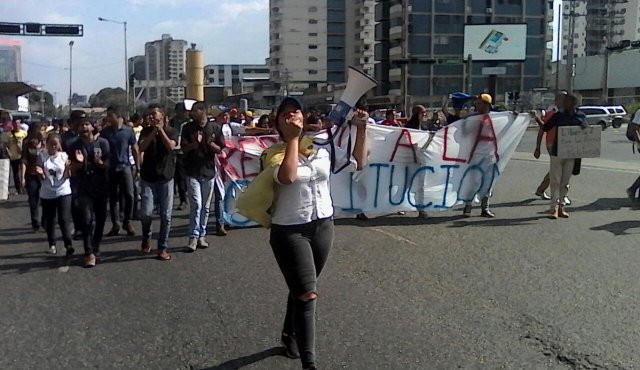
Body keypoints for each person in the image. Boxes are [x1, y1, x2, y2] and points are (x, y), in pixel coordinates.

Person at [268, 97, 368, 370]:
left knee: (302, 287)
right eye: (285, 114)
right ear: (278, 122)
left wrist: (361, 129)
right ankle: (309, 363)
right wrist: (292, 139)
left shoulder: (322, 149)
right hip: (290, 231)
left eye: (296, 112)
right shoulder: (273, 152)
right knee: (308, 294)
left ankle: (289, 333)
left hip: (323, 226)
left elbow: (358, 161)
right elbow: (287, 177)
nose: (293, 117)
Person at [180, 101, 225, 251]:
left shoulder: (215, 127)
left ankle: (201, 236)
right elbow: (184, 148)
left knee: (205, 206)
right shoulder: (187, 128)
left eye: (194, 111)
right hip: (192, 171)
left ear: (202, 111)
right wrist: (195, 143)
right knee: (196, 205)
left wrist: (210, 144)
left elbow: (220, 149)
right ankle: (192, 237)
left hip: (209, 171)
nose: (191, 113)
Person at [68, 117, 111, 267]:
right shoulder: (74, 146)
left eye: (86, 125)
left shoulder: (103, 143)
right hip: (83, 187)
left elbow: (108, 164)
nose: (84, 128)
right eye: (81, 125)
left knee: (100, 219)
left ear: (93, 127)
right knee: (87, 220)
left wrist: (101, 163)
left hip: (101, 186)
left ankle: (96, 247)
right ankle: (88, 252)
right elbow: (72, 170)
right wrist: (79, 164)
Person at [138, 104, 178, 260]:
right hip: (148, 177)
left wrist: (160, 131)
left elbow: (171, 147)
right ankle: (146, 235)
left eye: (155, 114)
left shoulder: (172, 131)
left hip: (166, 177)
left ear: (163, 116)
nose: (152, 117)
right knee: (146, 213)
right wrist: (153, 131)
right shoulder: (145, 131)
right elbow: (141, 147)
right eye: (150, 115)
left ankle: (162, 247)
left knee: (165, 215)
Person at [542, 93, 587, 219]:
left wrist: (584, 127)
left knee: (565, 181)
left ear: (574, 103)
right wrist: (537, 120)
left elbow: (587, 131)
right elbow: (546, 127)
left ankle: (562, 207)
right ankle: (554, 208)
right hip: (558, 152)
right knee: (555, 181)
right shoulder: (559, 115)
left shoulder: (581, 116)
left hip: (572, 153)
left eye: (567, 101)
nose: (564, 103)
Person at [101, 106, 140, 236]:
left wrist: (138, 167)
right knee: (113, 198)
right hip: (111, 168)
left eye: (110, 116)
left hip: (125, 167)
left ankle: (127, 221)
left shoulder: (128, 131)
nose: (108, 118)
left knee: (130, 195)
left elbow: (134, 148)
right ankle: (116, 223)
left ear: (118, 116)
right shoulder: (105, 132)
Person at [37, 134, 74, 257]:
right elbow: (40, 176)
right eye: (51, 144)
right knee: (50, 220)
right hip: (47, 193)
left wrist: (68, 168)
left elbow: (68, 175)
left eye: (55, 144)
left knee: (64, 219)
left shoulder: (64, 156)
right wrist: (41, 173)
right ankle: (52, 244)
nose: (53, 146)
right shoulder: (42, 157)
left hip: (63, 191)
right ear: (46, 144)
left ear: (59, 145)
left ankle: (68, 244)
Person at [533, 91, 571, 205]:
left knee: (558, 169)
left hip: (564, 144)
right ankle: (561, 196)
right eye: (561, 99)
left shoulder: (568, 113)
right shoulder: (552, 113)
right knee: (560, 169)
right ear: (556, 101)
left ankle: (541, 190)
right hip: (552, 144)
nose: (563, 101)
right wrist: (537, 148)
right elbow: (542, 129)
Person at [462, 94, 496, 218]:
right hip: (476, 153)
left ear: (486, 104)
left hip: (490, 154)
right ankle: (468, 207)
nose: (478, 105)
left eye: (480, 103)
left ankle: (485, 208)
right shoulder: (473, 118)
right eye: (477, 103)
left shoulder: (496, 118)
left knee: (488, 182)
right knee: (474, 181)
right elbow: (464, 131)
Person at [22, 122, 46, 232]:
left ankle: (46, 221)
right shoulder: (26, 143)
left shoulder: (47, 143)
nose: (42, 132)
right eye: (40, 129)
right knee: (33, 201)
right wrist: (22, 177)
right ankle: (35, 224)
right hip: (31, 175)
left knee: (46, 200)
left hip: (45, 176)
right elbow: (24, 160)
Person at [169, 102, 190, 211]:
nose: (182, 112)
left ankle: (185, 196)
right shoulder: (171, 122)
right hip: (175, 152)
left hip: (187, 152)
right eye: (180, 110)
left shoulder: (190, 122)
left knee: (185, 177)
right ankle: (182, 199)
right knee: (177, 177)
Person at [1, 119, 28, 194]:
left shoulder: (24, 133)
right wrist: (7, 153)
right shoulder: (8, 135)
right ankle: (18, 188)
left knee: (24, 173)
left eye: (18, 123)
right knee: (16, 173)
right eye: (15, 124)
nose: (17, 125)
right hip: (13, 156)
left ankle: (25, 187)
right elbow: (5, 146)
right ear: (12, 125)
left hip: (23, 155)